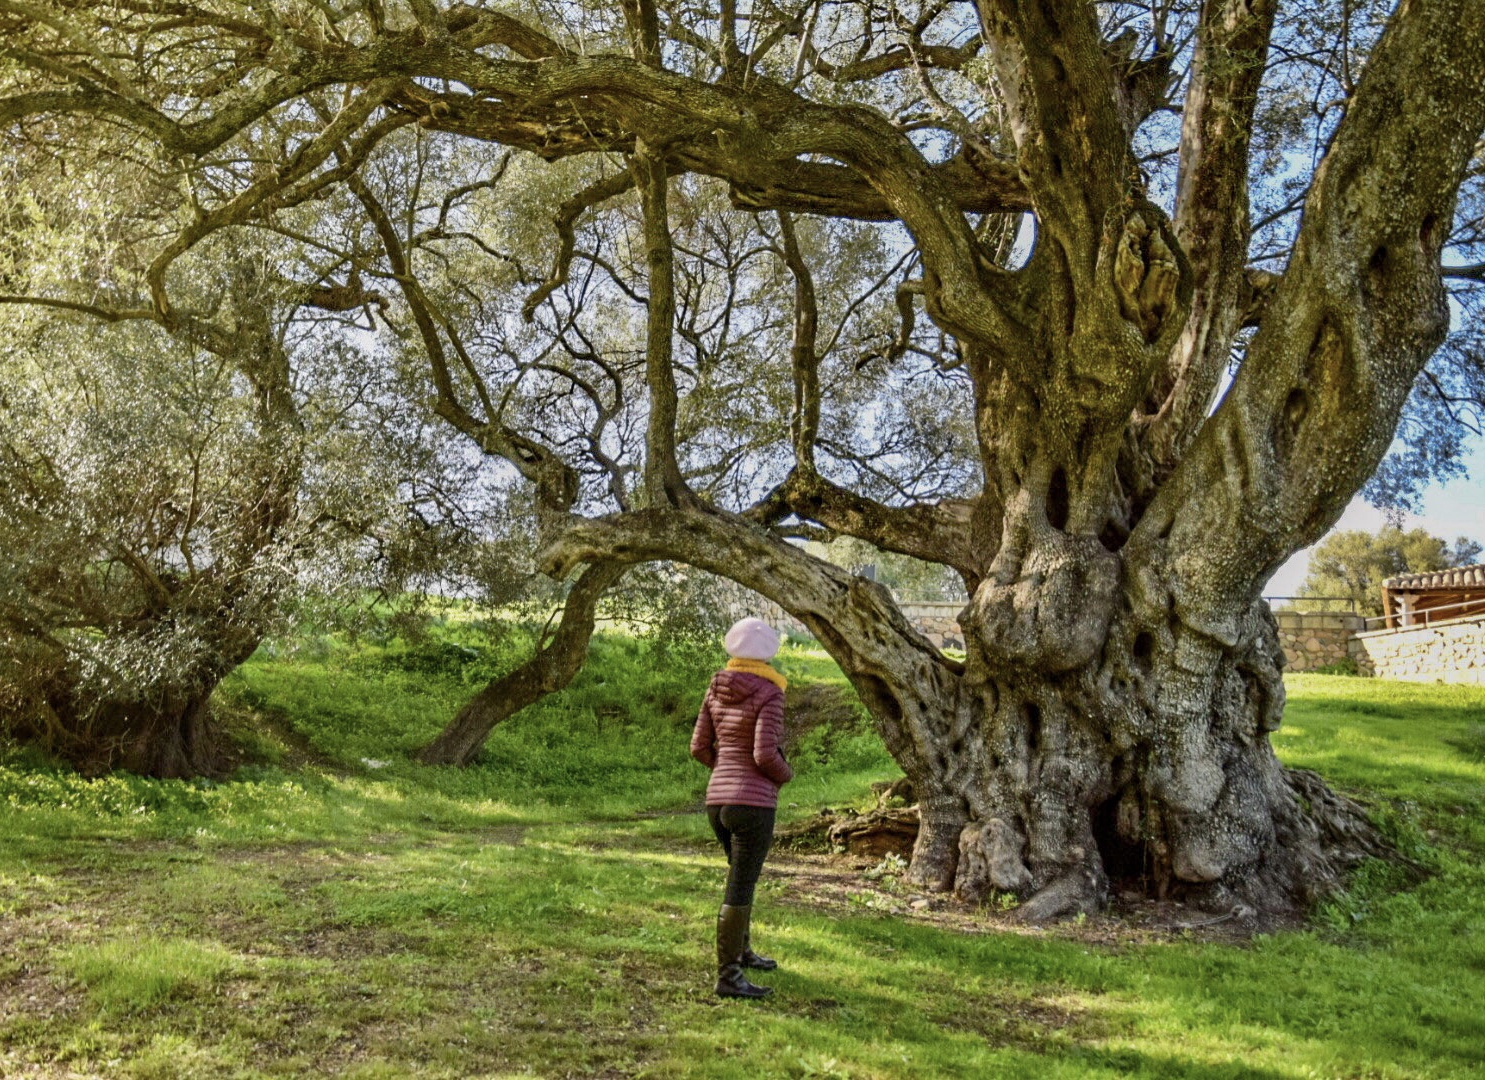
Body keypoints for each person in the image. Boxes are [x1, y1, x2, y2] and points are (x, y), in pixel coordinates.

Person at [690, 616, 794, 999]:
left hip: (717, 803)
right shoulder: (770, 692)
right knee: (741, 884)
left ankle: (743, 952)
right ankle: (728, 976)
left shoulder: (716, 688)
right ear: (769, 653)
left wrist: (725, 773)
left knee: (741, 878)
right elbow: (764, 754)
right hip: (752, 805)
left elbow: (699, 747)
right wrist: (785, 775)